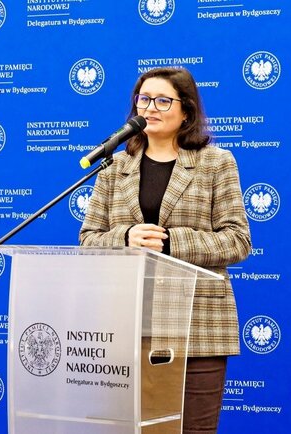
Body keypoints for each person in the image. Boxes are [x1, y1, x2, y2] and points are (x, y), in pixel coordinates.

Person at [79, 67, 251, 433]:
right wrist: (125, 238)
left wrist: (171, 241)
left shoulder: (216, 163)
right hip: (127, 326)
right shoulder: (114, 167)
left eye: (162, 100)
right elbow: (89, 239)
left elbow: (237, 240)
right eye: (144, 100)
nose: (150, 108)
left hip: (197, 326)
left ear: (186, 111)